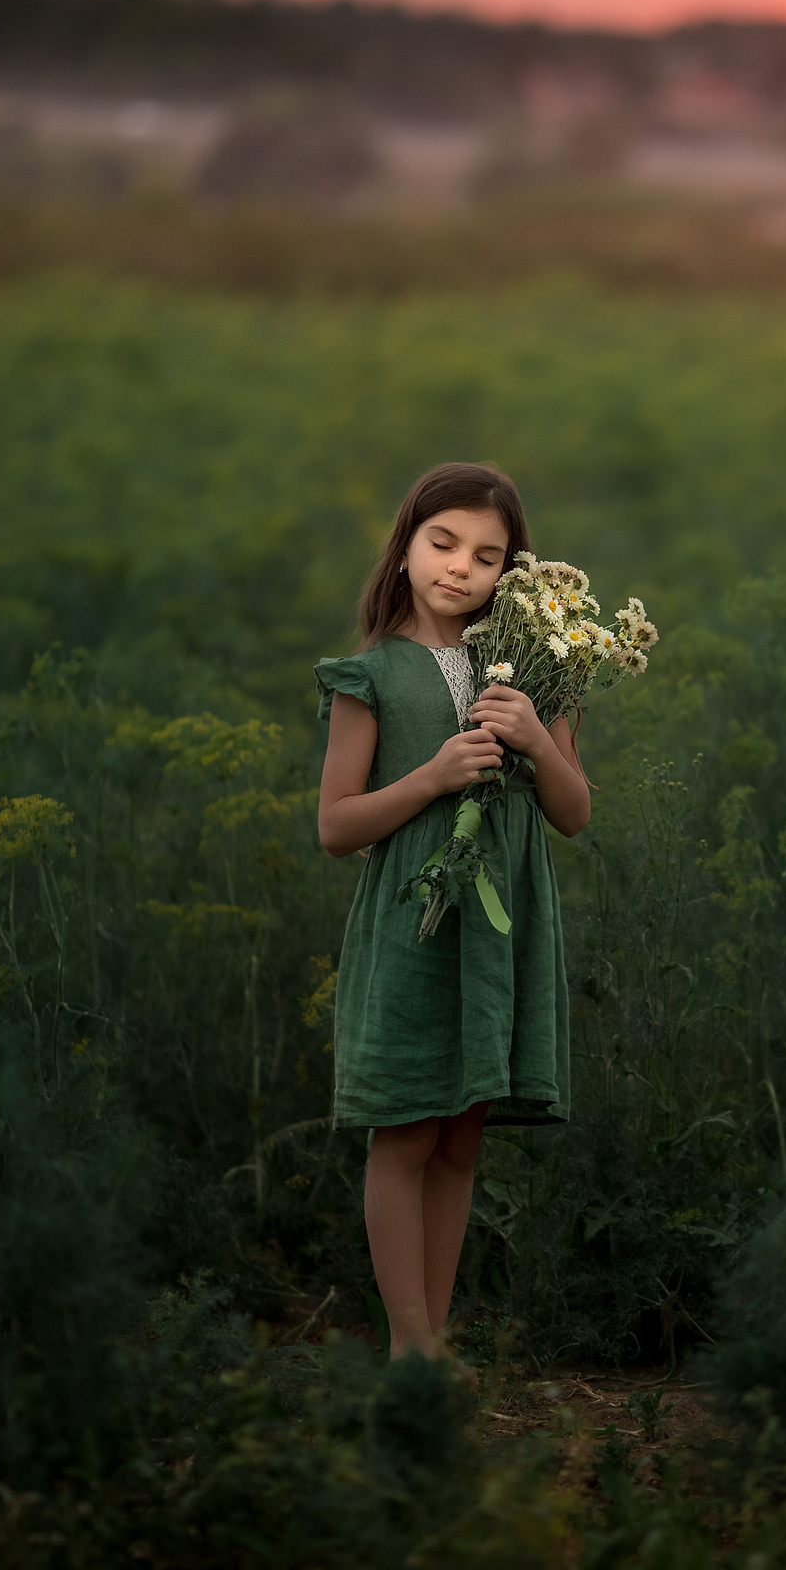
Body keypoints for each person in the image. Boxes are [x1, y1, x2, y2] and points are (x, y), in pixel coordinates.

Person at [313, 462, 588, 1359]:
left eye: (486, 555)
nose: (459, 568)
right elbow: (336, 826)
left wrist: (536, 735)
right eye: (442, 543)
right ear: (404, 547)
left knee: (460, 1136)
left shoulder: (537, 667)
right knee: (406, 1127)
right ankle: (408, 1342)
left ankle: (435, 1334)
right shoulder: (371, 675)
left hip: (497, 929)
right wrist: (432, 776)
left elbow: (573, 812)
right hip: (412, 922)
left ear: (514, 572)